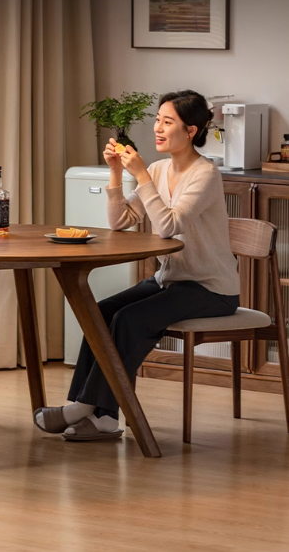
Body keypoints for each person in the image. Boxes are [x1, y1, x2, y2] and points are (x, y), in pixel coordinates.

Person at [34, 89, 240, 441]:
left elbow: (169, 226)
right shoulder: (158, 169)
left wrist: (142, 177)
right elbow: (120, 221)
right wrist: (116, 173)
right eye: (157, 120)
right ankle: (105, 419)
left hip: (211, 287)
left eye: (168, 122)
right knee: (97, 311)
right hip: (170, 279)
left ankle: (84, 407)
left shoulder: (205, 175)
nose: (158, 128)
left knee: (129, 319)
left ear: (191, 130)